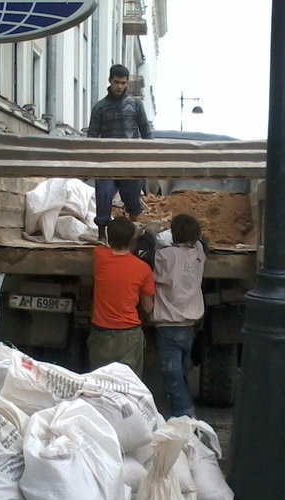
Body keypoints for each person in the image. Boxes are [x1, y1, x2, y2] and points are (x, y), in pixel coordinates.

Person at [87, 64, 153, 242]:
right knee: (104, 196)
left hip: (131, 163)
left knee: (133, 200)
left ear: (127, 82)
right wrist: (93, 162)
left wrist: (150, 158)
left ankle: (133, 233)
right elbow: (92, 136)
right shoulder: (100, 107)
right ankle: (102, 235)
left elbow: (146, 132)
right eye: (116, 82)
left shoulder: (135, 105)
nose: (120, 86)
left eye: (123, 83)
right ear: (110, 81)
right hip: (106, 164)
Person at [151, 214, 207, 418]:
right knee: (182, 370)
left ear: (173, 234)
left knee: (171, 374)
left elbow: (144, 256)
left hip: (168, 325)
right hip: (189, 326)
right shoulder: (199, 253)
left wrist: (148, 234)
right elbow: (203, 242)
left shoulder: (165, 257)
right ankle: (180, 410)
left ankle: (184, 413)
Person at [88, 216, 155, 378]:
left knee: (100, 383)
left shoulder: (99, 257)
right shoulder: (143, 269)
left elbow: (102, 246)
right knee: (129, 386)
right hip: (129, 336)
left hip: (101, 334)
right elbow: (148, 307)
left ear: (109, 238)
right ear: (132, 239)